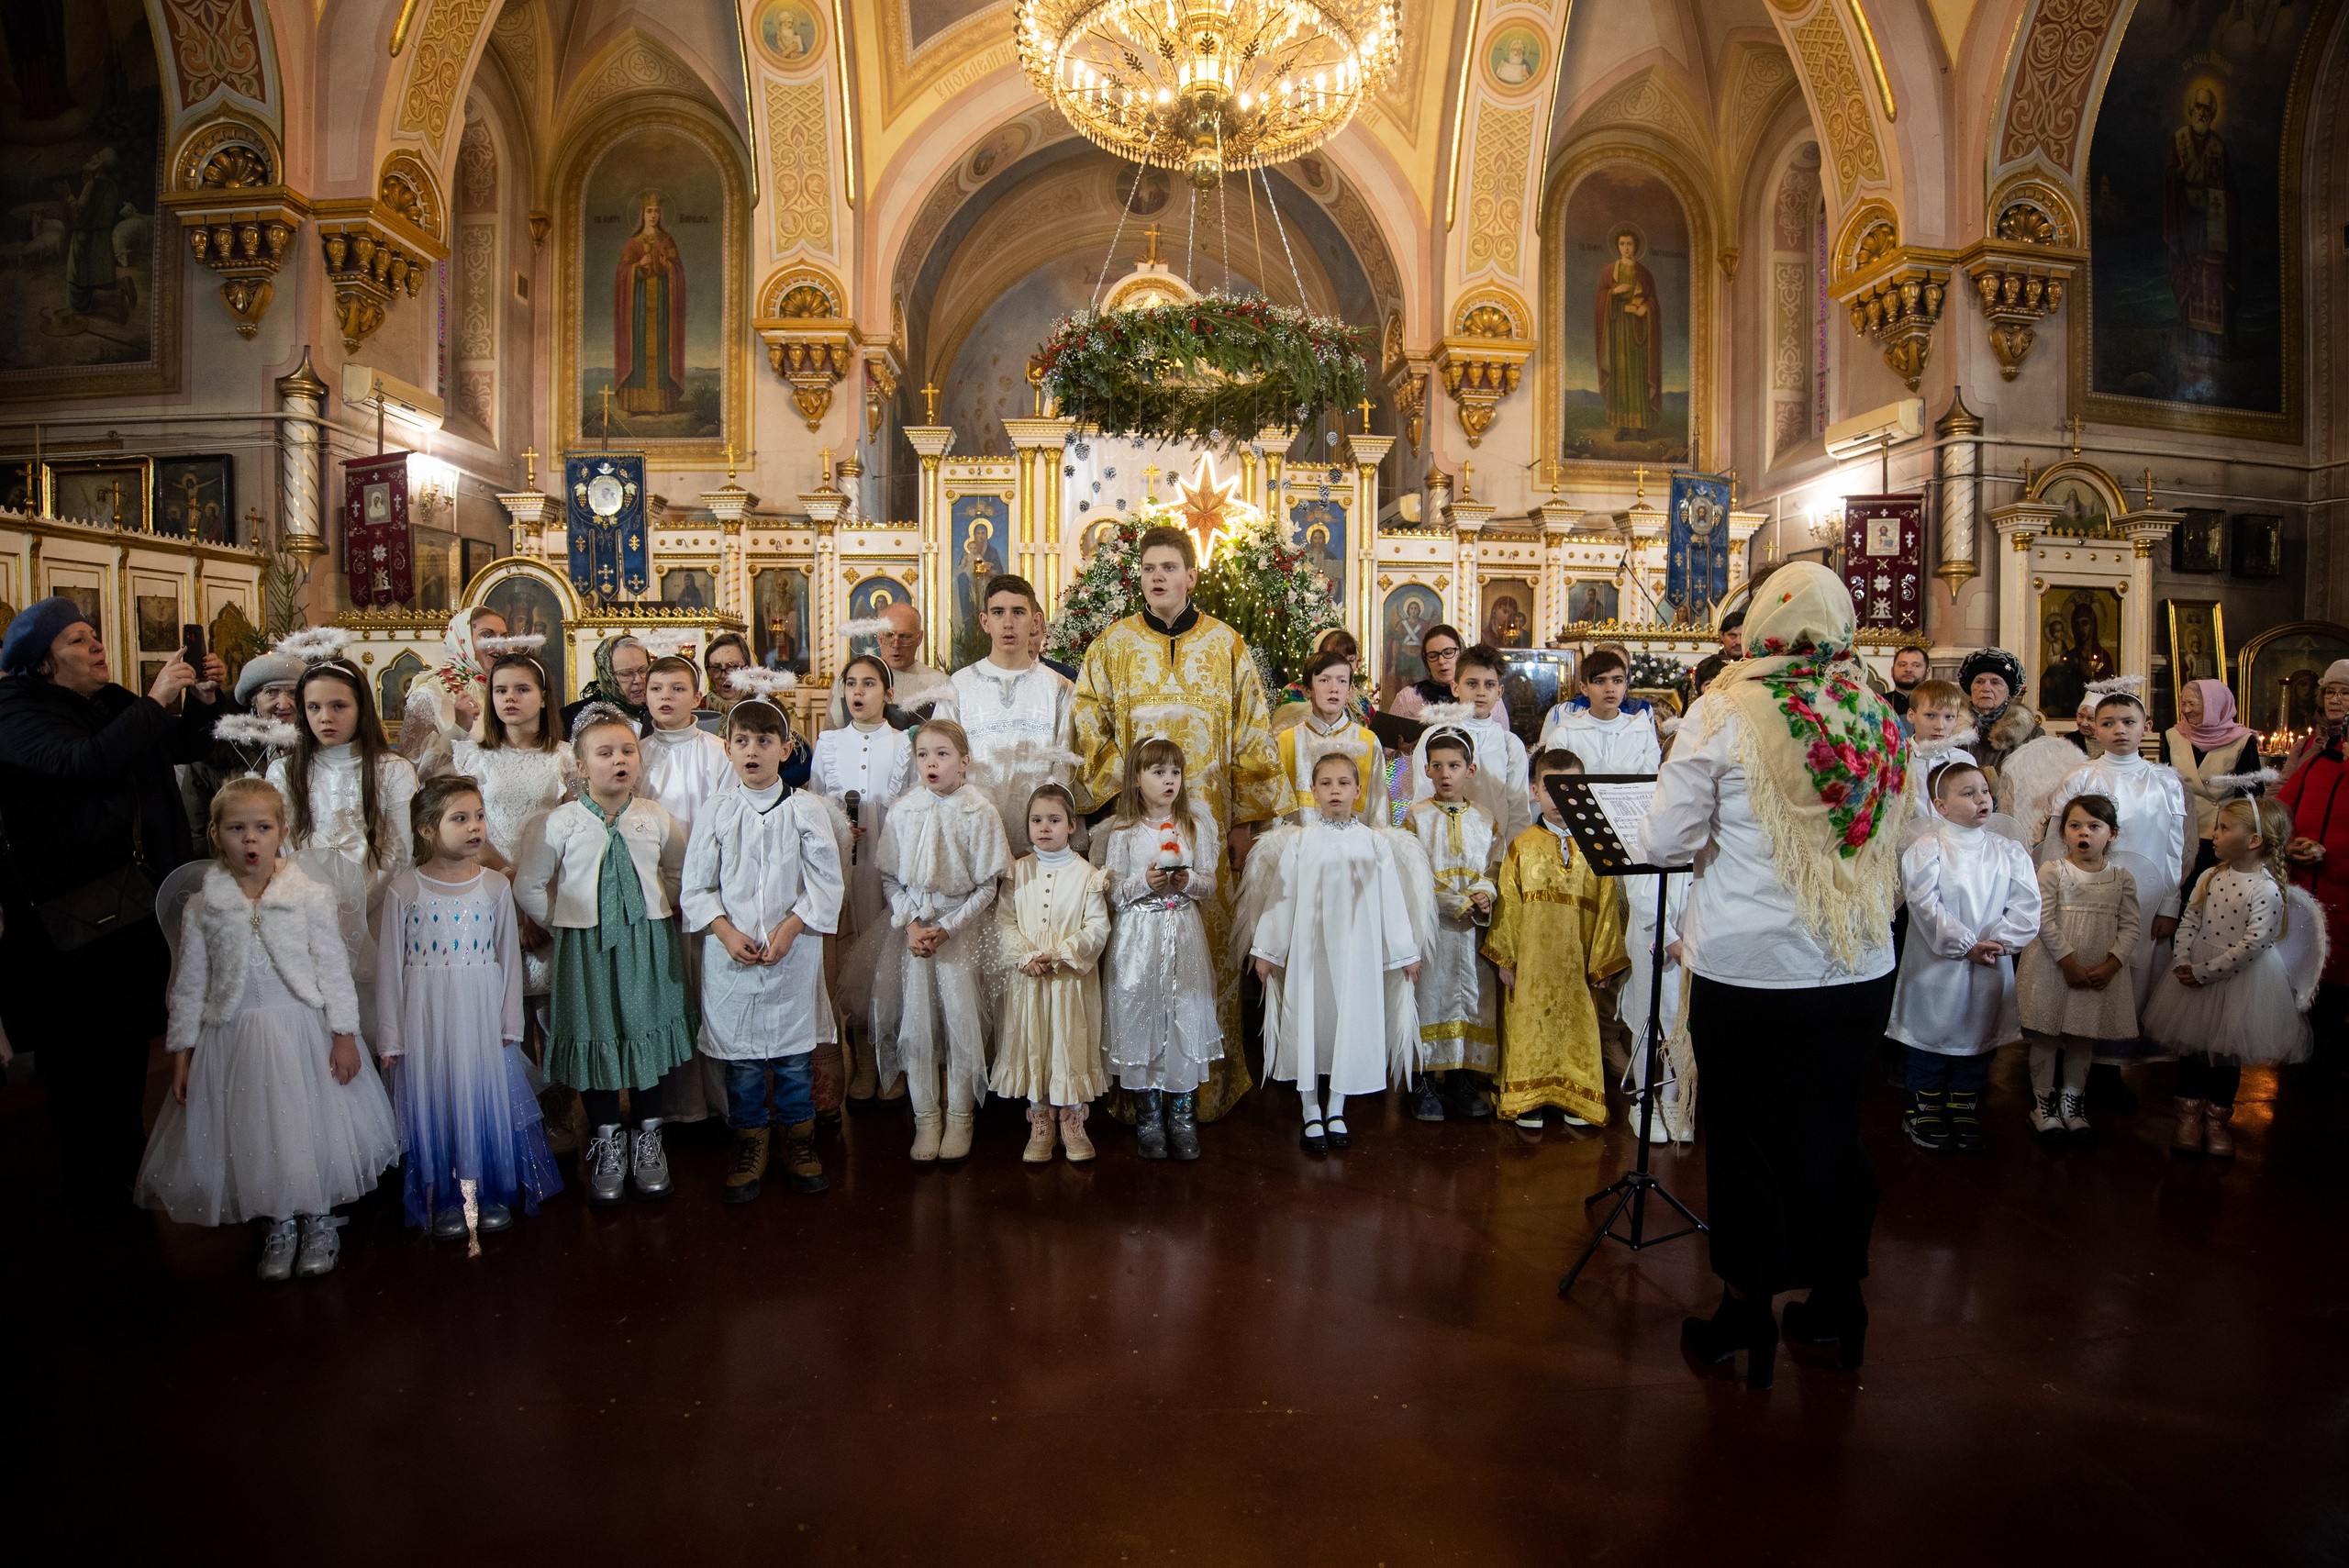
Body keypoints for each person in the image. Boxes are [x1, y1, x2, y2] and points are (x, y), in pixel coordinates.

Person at [1638, 562, 1910, 1387]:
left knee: (1749, 1142)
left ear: (1763, 621)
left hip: (1753, 967)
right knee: (1832, 1131)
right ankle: (1838, 1304)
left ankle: (1745, 1316)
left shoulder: (1726, 707)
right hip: (1859, 963)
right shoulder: (1876, 708)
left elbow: (1662, 841)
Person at [0, 597, 225, 1203]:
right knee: (76, 1051)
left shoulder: (106, 701)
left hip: (129, 901)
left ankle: (125, 1158)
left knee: (126, 1037)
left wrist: (202, 701)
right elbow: (85, 762)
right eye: (78, 640)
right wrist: (154, 701)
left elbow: (182, 746)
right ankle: (85, 1174)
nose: (96, 645)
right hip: (65, 916)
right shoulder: (16, 711)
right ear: (42, 663)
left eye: (94, 634)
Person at [134, 778, 399, 1280]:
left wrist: (344, 1033)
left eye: (262, 827)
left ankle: (319, 1217)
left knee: (307, 1127)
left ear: (283, 832)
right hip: (231, 1037)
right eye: (236, 829)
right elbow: (190, 982)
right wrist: (182, 1054)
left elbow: (332, 971)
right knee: (255, 1129)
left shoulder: (309, 897)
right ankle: (279, 1222)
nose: (250, 840)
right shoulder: (203, 905)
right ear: (215, 834)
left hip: (303, 1031)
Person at [1071, 526, 1286, 1122]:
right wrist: (1124, 806)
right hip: (1137, 828)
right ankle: (1137, 1091)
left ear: (1192, 575)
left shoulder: (1227, 645)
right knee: (1135, 958)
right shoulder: (1112, 645)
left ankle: (1199, 1088)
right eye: (1148, 568)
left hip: (1206, 827)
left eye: (1170, 566)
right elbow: (1088, 729)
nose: (1158, 576)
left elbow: (1252, 732)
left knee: (1201, 955)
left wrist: (1244, 822)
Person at [515, 707, 696, 1206]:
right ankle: (607, 1140)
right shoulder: (560, 822)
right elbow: (529, 881)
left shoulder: (655, 818)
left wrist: (659, 907)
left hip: (647, 943)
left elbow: (677, 870)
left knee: (644, 1032)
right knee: (597, 1033)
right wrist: (562, 921)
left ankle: (649, 1139)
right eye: (605, 752)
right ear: (579, 765)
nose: (619, 760)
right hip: (587, 948)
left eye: (627, 751)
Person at [681, 694, 845, 1203]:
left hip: (791, 952)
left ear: (786, 747)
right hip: (731, 954)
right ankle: (750, 1142)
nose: (753, 750)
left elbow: (825, 884)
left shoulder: (806, 810)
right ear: (728, 749)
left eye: (764, 741)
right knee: (745, 1061)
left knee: (794, 1057)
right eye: (742, 741)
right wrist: (726, 932)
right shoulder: (717, 811)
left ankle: (798, 1139)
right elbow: (696, 886)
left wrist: (792, 928)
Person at [376, 774, 555, 1242]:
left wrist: (510, 1021)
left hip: (480, 1014)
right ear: (426, 829)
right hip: (427, 1019)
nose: (476, 826)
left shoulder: (495, 886)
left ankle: (485, 1192)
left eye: (479, 816)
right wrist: (391, 1037)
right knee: (440, 1106)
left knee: (481, 1102)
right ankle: (448, 1197)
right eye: (460, 818)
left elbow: (507, 959)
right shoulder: (404, 891)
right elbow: (391, 969)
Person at [1246, 747, 1425, 1152]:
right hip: (1311, 952)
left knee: (1349, 1022)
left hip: (1356, 953)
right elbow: (1282, 896)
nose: (1335, 791)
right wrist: (1268, 950)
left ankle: (1338, 1105)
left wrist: (1404, 951)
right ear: (1312, 790)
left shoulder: (1374, 844)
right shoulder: (1302, 842)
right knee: (1309, 1019)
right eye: (1325, 783)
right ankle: (1310, 1107)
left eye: (1344, 783)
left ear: (1358, 789)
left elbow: (1391, 900)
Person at [1886, 760, 2039, 1153]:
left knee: (1978, 1038)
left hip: (1989, 961)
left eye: (1984, 791)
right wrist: (1963, 944)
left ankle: (1963, 1104)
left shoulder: (2008, 851)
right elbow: (1924, 905)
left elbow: (2026, 905)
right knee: (1930, 1037)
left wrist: (2001, 941)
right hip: (1938, 964)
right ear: (1941, 807)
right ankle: (1923, 1107)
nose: (1981, 800)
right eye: (1968, 794)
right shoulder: (1927, 850)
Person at [267, 653, 420, 1045]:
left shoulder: (392, 769)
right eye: (314, 707)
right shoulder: (284, 771)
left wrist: (355, 905)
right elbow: (282, 848)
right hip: (306, 911)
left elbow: (400, 852)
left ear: (361, 708)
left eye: (339, 706)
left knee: (377, 1026)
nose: (325, 718)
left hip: (377, 908)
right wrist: (317, 905)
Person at [2145, 798, 2310, 1157]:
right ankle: (2188, 1119)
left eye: (2223, 828)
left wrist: (2205, 972)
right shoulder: (2211, 875)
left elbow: (2254, 945)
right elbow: (2190, 919)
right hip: (2196, 971)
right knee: (2192, 1051)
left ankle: (2217, 1122)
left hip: (2238, 980)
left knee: (2225, 1055)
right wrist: (2182, 959)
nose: (2214, 835)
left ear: (2253, 840)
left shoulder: (2265, 889)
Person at [877, 719, 1008, 1162]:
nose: (931, 763)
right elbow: (890, 878)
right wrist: (912, 924)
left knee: (960, 1025)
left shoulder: (980, 811)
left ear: (965, 761)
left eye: (943, 754)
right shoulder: (902, 810)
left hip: (960, 931)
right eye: (923, 755)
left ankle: (960, 1117)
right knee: (917, 1026)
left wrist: (949, 927)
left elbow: (988, 886)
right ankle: (925, 1118)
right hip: (916, 930)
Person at [1483, 749, 1628, 1129]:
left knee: (1578, 1022)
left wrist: (1603, 961)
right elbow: (1509, 907)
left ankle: (1576, 1095)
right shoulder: (1521, 846)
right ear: (1535, 792)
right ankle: (1527, 1097)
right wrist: (1507, 959)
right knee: (1527, 1023)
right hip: (1530, 963)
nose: (1561, 798)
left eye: (1571, 788)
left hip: (1577, 962)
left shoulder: (1599, 846)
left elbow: (1610, 906)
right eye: (1551, 789)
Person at [1097, 734, 1222, 1159]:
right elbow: (1111, 892)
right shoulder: (1124, 832)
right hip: (1137, 937)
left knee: (1181, 1013)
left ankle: (1182, 1116)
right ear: (1136, 778)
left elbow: (1210, 883)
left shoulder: (1194, 826)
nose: (1170, 780)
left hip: (1182, 932)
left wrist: (1190, 882)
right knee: (1140, 1015)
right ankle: (1148, 1117)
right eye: (1158, 772)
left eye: (1175, 772)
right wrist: (1140, 884)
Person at [2042, 691, 2189, 1018]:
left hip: (2146, 895)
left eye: (2128, 722)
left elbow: (2173, 847)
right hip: (2083, 894)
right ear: (2093, 728)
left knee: (2135, 967)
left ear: (2146, 727)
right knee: (2089, 960)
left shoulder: (2164, 782)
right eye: (2108, 723)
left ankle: (2122, 1049)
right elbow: (2056, 840)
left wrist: (2170, 904)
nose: (2119, 730)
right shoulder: (2080, 777)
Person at [990, 784, 1113, 1163]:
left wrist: (1059, 954)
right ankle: (1040, 1117)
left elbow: (1097, 928)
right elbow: (1004, 921)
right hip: (1028, 979)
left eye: (1054, 820)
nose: (1044, 827)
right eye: (1036, 820)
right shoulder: (1017, 871)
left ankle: (1072, 1119)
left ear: (1072, 826)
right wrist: (1025, 955)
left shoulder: (1088, 875)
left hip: (1069, 982)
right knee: (1034, 1043)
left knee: (1067, 1042)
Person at [813, 654, 914, 1108]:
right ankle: (863, 1061)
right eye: (850, 683)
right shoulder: (829, 743)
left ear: (888, 694)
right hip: (845, 868)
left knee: (887, 957)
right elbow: (815, 805)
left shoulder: (905, 744)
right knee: (849, 956)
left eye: (869, 683)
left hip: (888, 868)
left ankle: (890, 1056)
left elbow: (916, 803)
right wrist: (837, 827)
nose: (857, 692)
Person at [2016, 795, 2140, 1145]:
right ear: (2063, 831)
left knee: (2082, 1037)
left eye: (2094, 826)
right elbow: (2043, 918)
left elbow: (2131, 926)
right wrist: (2068, 962)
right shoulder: (2053, 870)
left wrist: (2112, 963)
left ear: (2112, 833)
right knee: (2047, 1034)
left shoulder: (2122, 878)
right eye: (2075, 826)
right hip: (2054, 969)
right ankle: (2043, 1103)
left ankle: (2073, 1102)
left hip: (2099, 971)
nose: (2083, 833)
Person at [944, 574, 1076, 858]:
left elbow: (1064, 771)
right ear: (984, 621)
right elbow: (944, 766)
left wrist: (1041, 841)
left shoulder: (1059, 689)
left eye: (1018, 612)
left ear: (1035, 621)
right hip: (972, 841)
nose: (1008, 623)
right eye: (998, 612)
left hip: (1040, 848)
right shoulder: (958, 686)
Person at [1405, 728, 1499, 1120]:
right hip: (1435, 928)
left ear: (1471, 770)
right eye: (1438, 766)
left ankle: (1461, 1079)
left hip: (1474, 932)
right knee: (1431, 997)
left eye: (1455, 766)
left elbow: (1495, 865)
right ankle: (1425, 1080)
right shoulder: (1416, 816)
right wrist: (1451, 900)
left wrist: (1485, 895)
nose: (1446, 774)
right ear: (1426, 769)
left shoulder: (1486, 818)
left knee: (1474, 999)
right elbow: (1413, 871)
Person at [2277, 661, 2349, 1073]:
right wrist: (2288, 844)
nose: (2335, 700)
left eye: (2345, 693)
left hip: (2342, 882)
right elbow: (2282, 807)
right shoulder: (2316, 753)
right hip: (2307, 882)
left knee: (2339, 981)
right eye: (2330, 692)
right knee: (2308, 970)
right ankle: (2307, 1054)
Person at [1409, 644, 1531, 847]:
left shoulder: (1510, 744)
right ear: (1455, 687)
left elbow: (1519, 810)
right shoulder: (1434, 737)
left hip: (1495, 851)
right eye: (1472, 684)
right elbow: (1422, 798)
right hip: (1443, 847)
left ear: (1500, 692)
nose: (1481, 692)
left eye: (1489, 685)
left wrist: (1512, 859)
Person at [182, 648, 304, 829]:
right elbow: (195, 824)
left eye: (293, 693)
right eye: (271, 692)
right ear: (253, 700)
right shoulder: (217, 747)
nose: (284, 703)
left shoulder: (320, 743)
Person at [2166, 677, 2263, 892]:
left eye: (2193, 704)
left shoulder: (2243, 740)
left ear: (2214, 705)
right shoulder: (2173, 736)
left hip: (2222, 834)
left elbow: (2250, 793)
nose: (2186, 710)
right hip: (2181, 830)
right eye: (2183, 703)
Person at [1275, 650, 1380, 821]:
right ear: (1307, 690)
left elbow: (1378, 809)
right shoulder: (1287, 741)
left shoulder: (1368, 741)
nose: (1334, 689)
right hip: (1300, 844)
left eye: (1342, 681)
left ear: (1350, 690)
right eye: (1324, 680)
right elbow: (1276, 811)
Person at [1539, 646, 1661, 774]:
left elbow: (1651, 785)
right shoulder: (1564, 735)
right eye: (1600, 681)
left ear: (1625, 685)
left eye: (1617, 681)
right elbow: (1554, 784)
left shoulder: (1641, 733)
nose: (1610, 689)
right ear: (1584, 688)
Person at [830, 602, 952, 727]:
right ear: (879, 637)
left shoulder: (941, 684)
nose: (896, 645)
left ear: (919, 638)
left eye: (905, 637)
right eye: (889, 635)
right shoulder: (851, 680)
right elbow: (833, 730)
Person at [1959, 647, 2043, 785]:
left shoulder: (2031, 735)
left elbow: (2033, 781)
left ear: (2008, 693)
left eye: (1995, 682)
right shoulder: (1950, 727)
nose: (1986, 688)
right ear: (1970, 689)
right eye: (1979, 681)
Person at [560, 635, 651, 737]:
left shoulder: (659, 709)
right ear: (607, 676)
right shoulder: (573, 717)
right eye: (626, 674)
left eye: (643, 670)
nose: (638, 680)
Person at [1386, 622, 1463, 717]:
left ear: (1461, 654)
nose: (1441, 661)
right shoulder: (1407, 697)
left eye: (1448, 653)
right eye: (1433, 656)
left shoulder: (1476, 693)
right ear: (1426, 661)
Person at [696, 633, 753, 730]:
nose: (723, 676)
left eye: (732, 667)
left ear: (746, 669)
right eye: (716, 668)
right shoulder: (698, 712)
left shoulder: (763, 708)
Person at [1887, 644, 1930, 719]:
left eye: (1916, 665)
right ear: (1892, 671)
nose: (1908, 669)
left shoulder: (1934, 704)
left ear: (1927, 672)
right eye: (1902, 665)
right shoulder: (1877, 702)